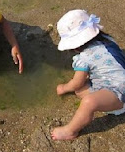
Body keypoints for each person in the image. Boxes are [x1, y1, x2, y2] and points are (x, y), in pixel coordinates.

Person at [51, 9, 125, 140]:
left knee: (86, 99)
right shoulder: (108, 40)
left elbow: (77, 83)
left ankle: (70, 131)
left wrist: (63, 88)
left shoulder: (84, 57)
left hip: (119, 94)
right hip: (120, 79)